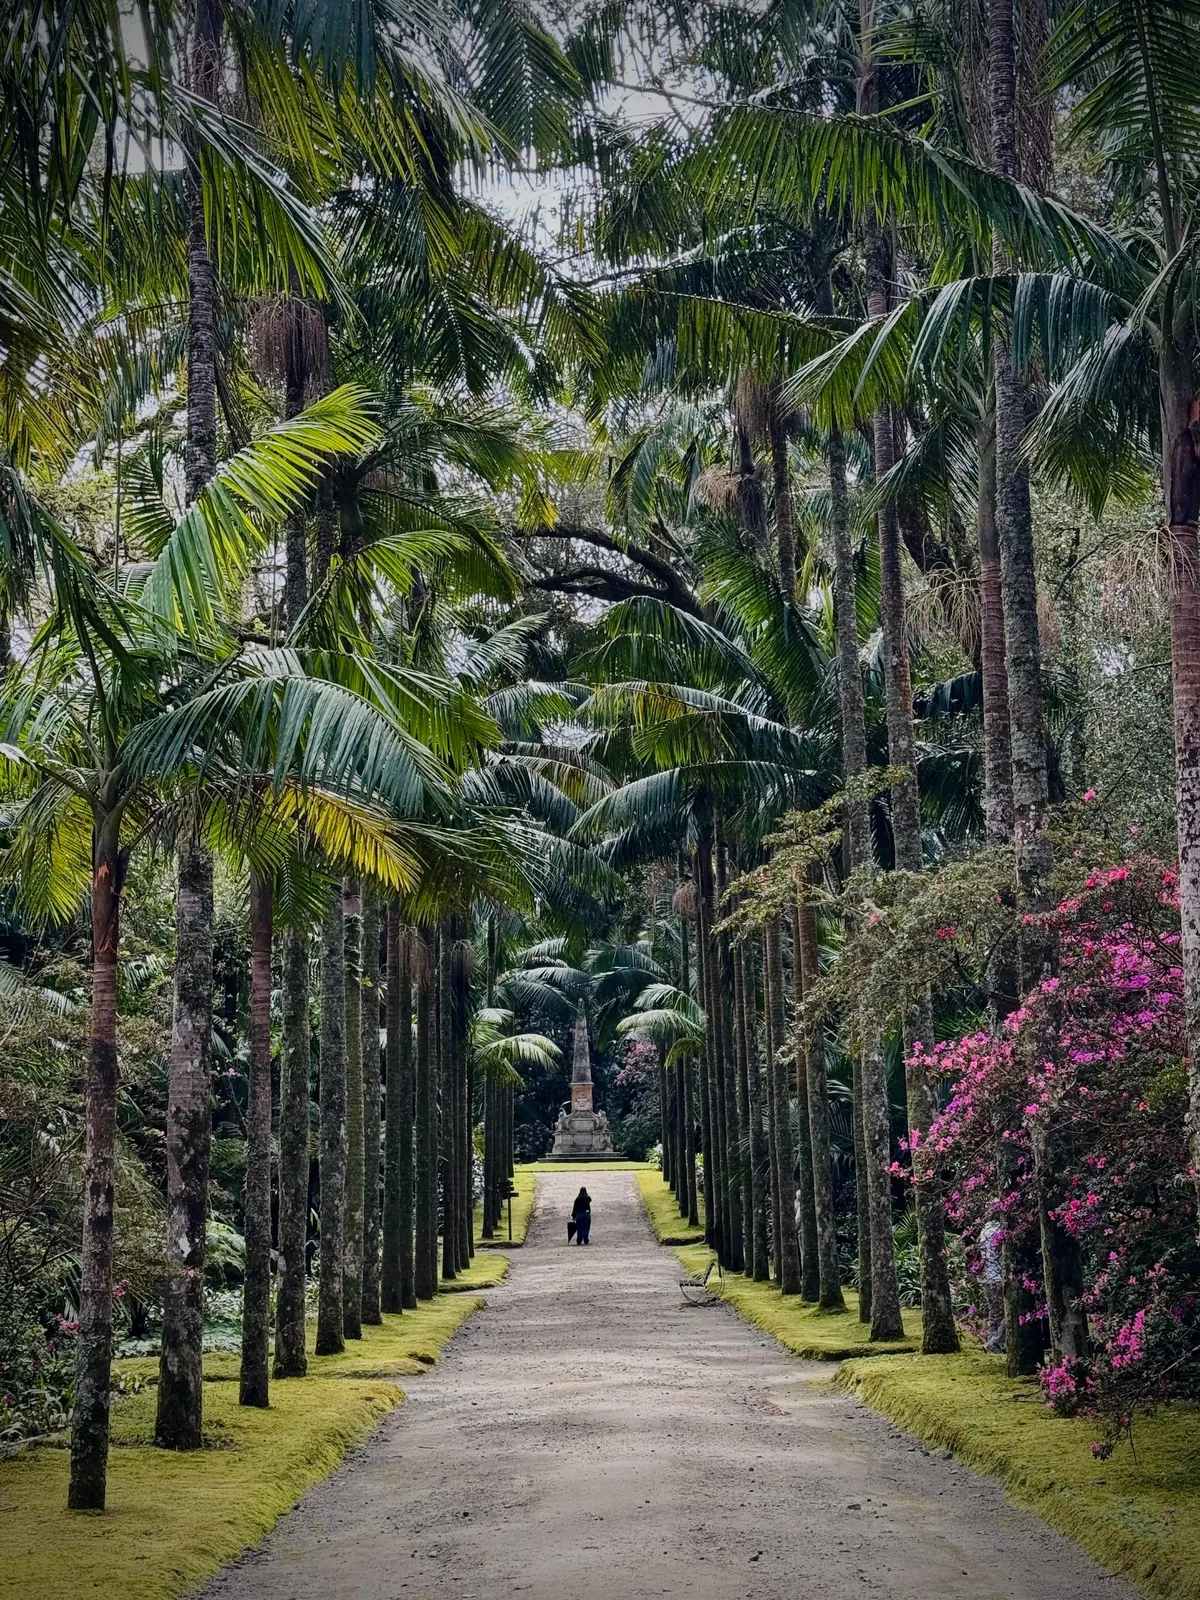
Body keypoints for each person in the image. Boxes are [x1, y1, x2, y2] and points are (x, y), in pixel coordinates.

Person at [979, 1216, 1006, 1354]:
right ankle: (994, 1343)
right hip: (998, 1277)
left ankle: (991, 1344)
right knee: (1007, 1313)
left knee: (994, 1313)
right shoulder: (1000, 1230)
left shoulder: (984, 1231)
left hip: (985, 1277)